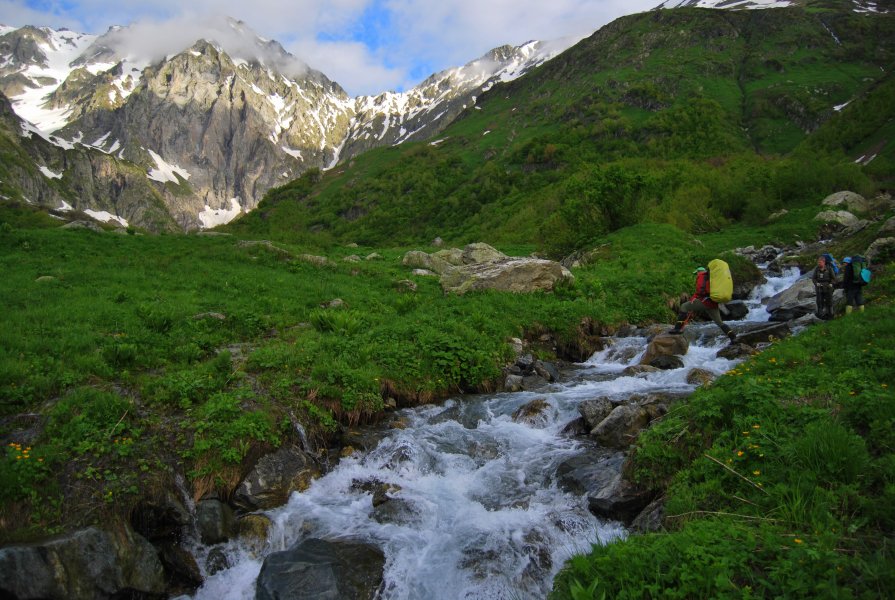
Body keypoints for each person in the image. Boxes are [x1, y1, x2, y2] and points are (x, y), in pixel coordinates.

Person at [669, 267, 737, 342]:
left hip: (705, 301)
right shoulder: (711, 278)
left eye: (696, 273)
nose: (696, 275)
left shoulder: (701, 276)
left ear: (699, 272)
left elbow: (700, 291)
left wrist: (695, 299)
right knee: (719, 322)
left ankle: (677, 329)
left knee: (684, 307)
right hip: (713, 303)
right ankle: (733, 337)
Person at [811, 255, 836, 320]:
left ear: (824, 262)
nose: (819, 264)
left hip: (828, 287)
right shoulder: (817, 269)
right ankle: (820, 315)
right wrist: (816, 283)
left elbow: (833, 278)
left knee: (829, 301)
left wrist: (831, 284)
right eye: (818, 262)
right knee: (819, 301)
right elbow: (813, 278)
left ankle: (830, 315)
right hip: (819, 288)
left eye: (820, 262)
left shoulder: (829, 268)